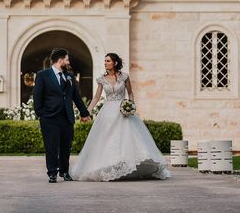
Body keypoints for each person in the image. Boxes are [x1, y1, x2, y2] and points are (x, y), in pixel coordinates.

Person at [70, 53, 170, 181]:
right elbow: (96, 97)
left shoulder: (124, 77)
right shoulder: (101, 79)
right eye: (104, 61)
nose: (105, 63)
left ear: (115, 63)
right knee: (108, 140)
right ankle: (109, 167)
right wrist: (86, 112)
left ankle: (127, 166)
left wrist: (130, 105)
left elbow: (130, 93)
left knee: (126, 139)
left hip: (123, 111)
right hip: (107, 112)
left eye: (108, 61)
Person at [33, 47, 91, 183]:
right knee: (51, 146)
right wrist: (41, 114)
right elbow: (37, 97)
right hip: (49, 118)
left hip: (67, 117)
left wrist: (84, 113)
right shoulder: (43, 75)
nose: (68, 61)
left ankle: (64, 172)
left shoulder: (70, 76)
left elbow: (76, 97)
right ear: (60, 60)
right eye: (67, 59)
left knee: (66, 147)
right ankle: (52, 173)